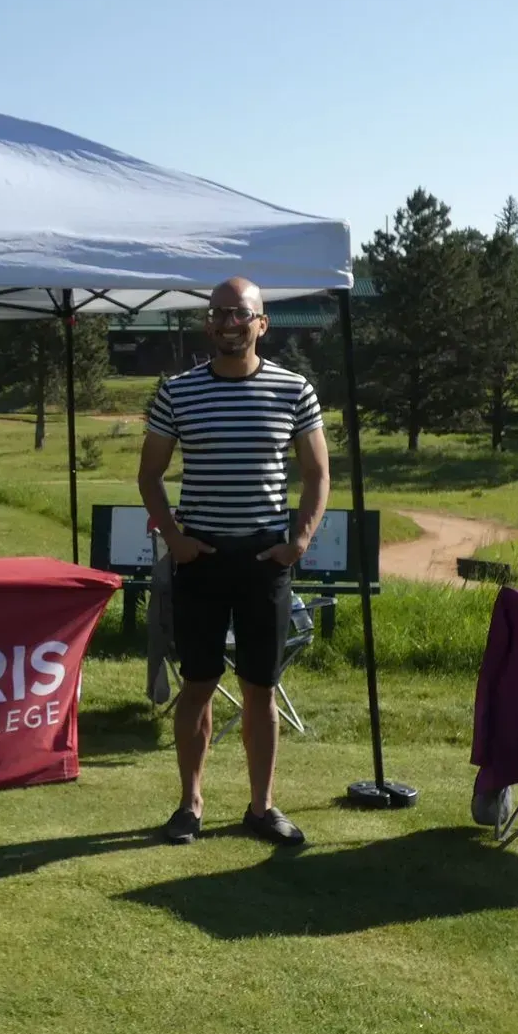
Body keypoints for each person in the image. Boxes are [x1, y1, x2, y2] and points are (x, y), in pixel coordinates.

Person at [137, 277, 329, 845]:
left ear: (261, 324)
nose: (228, 322)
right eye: (218, 313)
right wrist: (174, 537)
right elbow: (150, 474)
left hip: (264, 559)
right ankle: (190, 806)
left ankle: (261, 807)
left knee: (260, 689)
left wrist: (299, 543)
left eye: (240, 314)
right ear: (207, 323)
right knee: (196, 684)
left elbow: (318, 475)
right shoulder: (178, 392)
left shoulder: (295, 390)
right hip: (199, 557)